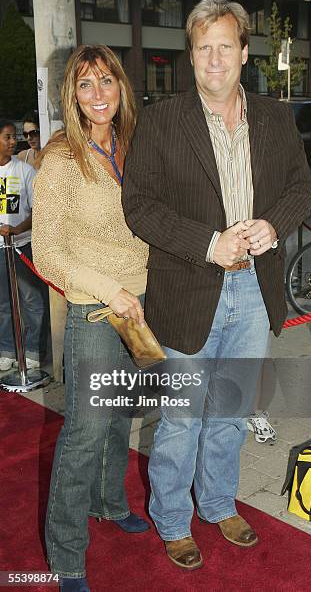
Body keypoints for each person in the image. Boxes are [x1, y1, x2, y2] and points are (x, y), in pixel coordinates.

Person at [122, 0, 311, 570]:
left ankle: (215, 504)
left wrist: (272, 225)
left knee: (229, 411)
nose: (214, 58)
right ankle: (173, 519)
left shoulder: (275, 118)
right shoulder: (161, 121)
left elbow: (302, 188)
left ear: (243, 52)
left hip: (254, 292)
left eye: (224, 46)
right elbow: (140, 207)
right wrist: (208, 242)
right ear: (191, 55)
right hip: (187, 289)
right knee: (181, 416)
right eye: (203, 47)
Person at [32, 45, 150, 592]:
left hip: (142, 311)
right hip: (96, 309)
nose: (98, 94)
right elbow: (48, 252)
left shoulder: (132, 146)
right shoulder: (60, 158)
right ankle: (65, 555)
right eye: (86, 85)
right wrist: (113, 290)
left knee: (121, 417)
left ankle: (109, 501)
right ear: (71, 96)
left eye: (106, 81)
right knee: (85, 430)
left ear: (121, 86)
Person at [0, 119, 48, 371]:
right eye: (7, 137)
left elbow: (38, 210)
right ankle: (7, 349)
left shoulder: (25, 171)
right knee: (3, 303)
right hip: (0, 250)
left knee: (31, 300)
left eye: (13, 137)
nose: (13, 142)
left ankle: (32, 351)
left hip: (22, 247)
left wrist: (17, 230)